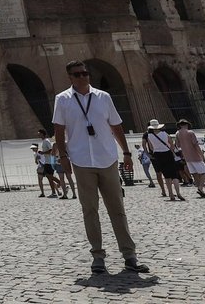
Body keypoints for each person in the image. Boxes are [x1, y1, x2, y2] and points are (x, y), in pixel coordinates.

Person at [53, 59, 148, 275]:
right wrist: (64, 157)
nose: (83, 77)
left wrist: (126, 152)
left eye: (85, 73)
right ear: (70, 77)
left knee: (117, 209)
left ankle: (129, 255)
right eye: (77, 74)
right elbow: (59, 130)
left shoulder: (103, 97)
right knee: (90, 211)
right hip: (81, 160)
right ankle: (97, 256)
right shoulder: (63, 99)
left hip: (107, 158)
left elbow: (116, 125)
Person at [142, 120, 182, 201]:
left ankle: (170, 194)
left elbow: (151, 147)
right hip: (168, 153)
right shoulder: (165, 134)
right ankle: (178, 193)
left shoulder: (149, 136)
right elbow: (171, 144)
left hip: (158, 155)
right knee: (174, 175)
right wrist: (169, 150)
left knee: (166, 175)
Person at [175, 120, 205, 198]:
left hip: (186, 156)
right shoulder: (190, 132)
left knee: (194, 173)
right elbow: (196, 145)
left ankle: (199, 188)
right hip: (195, 155)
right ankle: (200, 188)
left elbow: (177, 145)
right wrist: (202, 155)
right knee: (203, 173)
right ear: (186, 124)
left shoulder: (177, 133)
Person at [35, 128, 61, 197]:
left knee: (49, 176)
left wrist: (43, 152)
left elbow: (51, 150)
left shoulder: (46, 141)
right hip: (47, 162)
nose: (38, 135)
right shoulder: (43, 141)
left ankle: (61, 183)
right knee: (49, 178)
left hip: (49, 162)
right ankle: (54, 192)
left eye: (39, 133)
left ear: (43, 134)